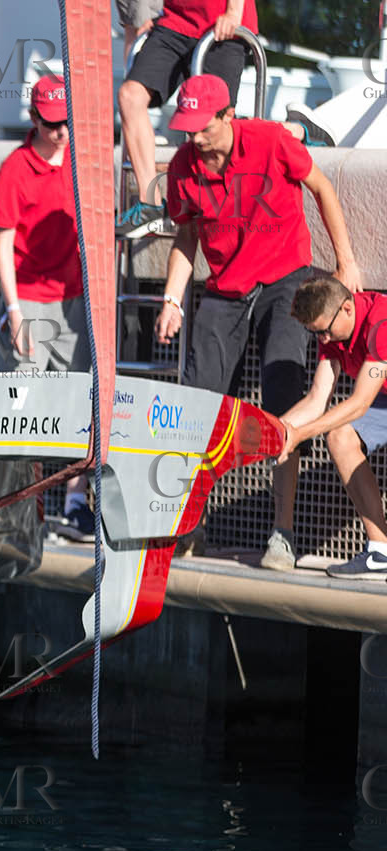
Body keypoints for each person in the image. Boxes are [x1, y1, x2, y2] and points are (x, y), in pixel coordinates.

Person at [155, 75, 363, 568]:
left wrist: (346, 262)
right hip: (226, 289)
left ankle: (283, 532)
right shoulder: (183, 167)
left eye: (202, 128)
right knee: (195, 403)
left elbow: (322, 187)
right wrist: (172, 299)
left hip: (286, 279)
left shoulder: (271, 139)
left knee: (282, 396)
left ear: (228, 117)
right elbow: (187, 238)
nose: (194, 139)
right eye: (185, 129)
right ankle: (188, 523)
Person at [0, 75, 94, 539]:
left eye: (67, 123)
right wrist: (14, 310)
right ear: (34, 120)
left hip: (72, 297)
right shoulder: (16, 167)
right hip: (30, 296)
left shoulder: (80, 159)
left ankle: (75, 503)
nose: (61, 132)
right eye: (53, 124)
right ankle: (20, 506)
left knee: (79, 403)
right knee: (21, 407)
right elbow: (3, 241)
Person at [277, 276, 387, 578]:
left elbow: (360, 403)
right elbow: (316, 399)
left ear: (348, 309)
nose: (323, 340)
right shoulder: (332, 336)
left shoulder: (381, 325)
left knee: (341, 422)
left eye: (325, 331)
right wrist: (278, 431)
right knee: (339, 436)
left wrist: (301, 433)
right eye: (315, 333)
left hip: (373, 398)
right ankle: (380, 553)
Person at [116, 0, 257, 231]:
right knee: (130, 96)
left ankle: (301, 132)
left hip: (222, 25)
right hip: (175, 22)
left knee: (217, 120)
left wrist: (233, 12)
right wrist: (140, 17)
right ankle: (150, 204)